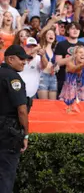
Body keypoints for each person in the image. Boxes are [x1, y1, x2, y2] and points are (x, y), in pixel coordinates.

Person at [0, 45, 32, 193]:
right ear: (10, 59)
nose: (24, 62)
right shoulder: (13, 77)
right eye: (21, 59)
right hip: (7, 133)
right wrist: (25, 134)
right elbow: (21, 111)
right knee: (6, 175)